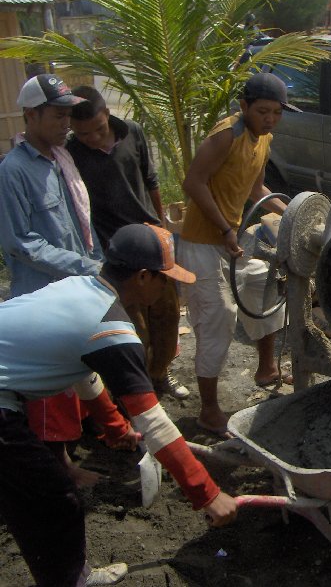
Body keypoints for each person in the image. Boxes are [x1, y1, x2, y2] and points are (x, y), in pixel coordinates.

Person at [0, 223, 239, 587]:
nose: (168, 287)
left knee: (29, 498)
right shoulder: (111, 328)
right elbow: (154, 423)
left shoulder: (80, 287)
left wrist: (113, 426)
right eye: (166, 279)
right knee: (54, 501)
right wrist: (208, 494)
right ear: (144, 277)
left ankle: (70, 575)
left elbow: (81, 373)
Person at [0, 73, 105, 486]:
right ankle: (60, 467)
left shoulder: (62, 159)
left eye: (68, 115)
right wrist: (86, 266)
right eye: (57, 115)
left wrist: (95, 259)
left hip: (75, 281)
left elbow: (81, 223)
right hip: (42, 292)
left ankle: (90, 434)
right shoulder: (13, 171)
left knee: (76, 366)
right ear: (31, 115)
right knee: (48, 389)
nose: (66, 123)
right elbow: (20, 243)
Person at [178, 73, 297, 437]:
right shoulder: (224, 136)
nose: (270, 119)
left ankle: (267, 370)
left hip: (231, 236)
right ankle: (210, 411)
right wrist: (226, 230)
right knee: (219, 315)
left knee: (261, 282)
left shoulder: (264, 140)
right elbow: (193, 182)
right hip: (201, 240)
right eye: (263, 111)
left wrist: (292, 211)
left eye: (277, 112)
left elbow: (256, 189)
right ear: (244, 106)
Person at [66, 85, 189, 400]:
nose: (92, 138)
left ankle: (160, 375)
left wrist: (160, 228)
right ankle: (136, 390)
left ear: (107, 114)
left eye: (98, 129)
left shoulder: (132, 132)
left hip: (149, 240)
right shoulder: (71, 153)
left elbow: (151, 181)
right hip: (115, 251)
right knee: (133, 327)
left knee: (167, 314)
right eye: (83, 134)